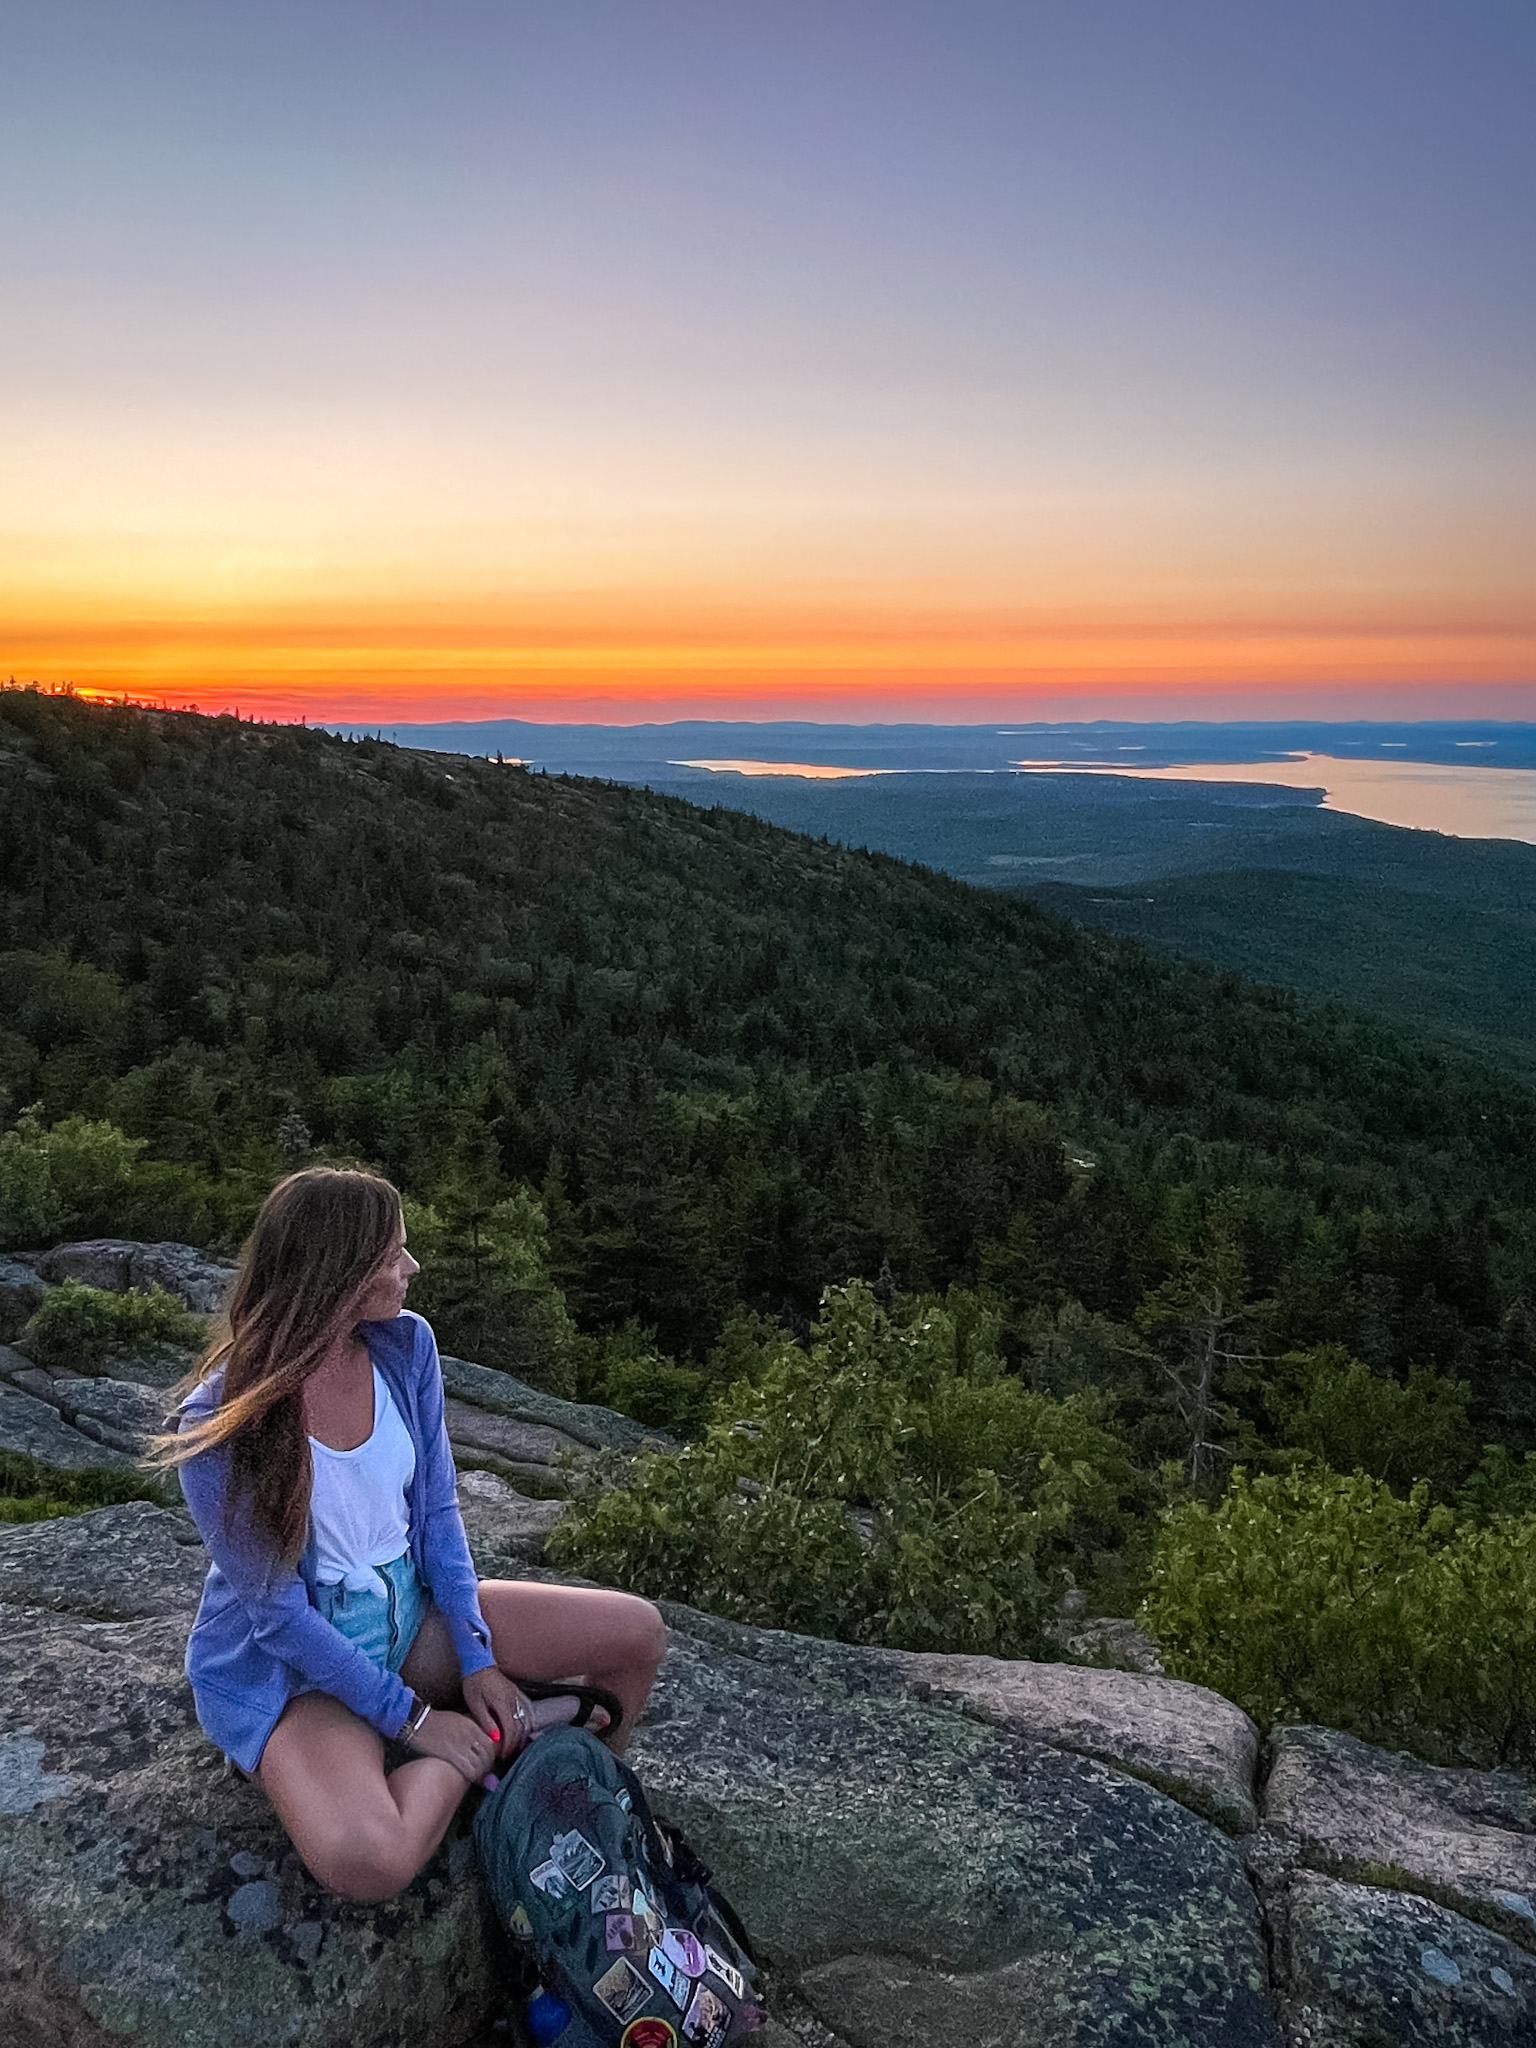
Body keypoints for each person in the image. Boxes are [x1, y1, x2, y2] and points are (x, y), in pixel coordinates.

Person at [160, 1165, 667, 1903]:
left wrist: (477, 1659)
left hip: (412, 1617)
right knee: (370, 1861)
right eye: (394, 1253)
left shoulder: (404, 1348)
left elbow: (435, 1514)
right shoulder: (220, 1423)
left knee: (638, 1637)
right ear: (342, 1272)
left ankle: (561, 1810)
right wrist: (420, 1722)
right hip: (304, 1673)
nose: (411, 1267)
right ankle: (494, 1750)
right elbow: (277, 1617)